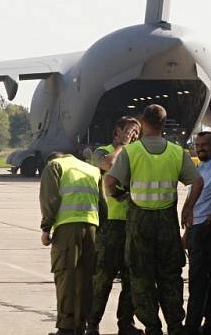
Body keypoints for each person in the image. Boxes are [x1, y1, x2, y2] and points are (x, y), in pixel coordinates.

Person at [106, 104, 204, 335]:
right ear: (163, 123)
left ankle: (152, 327)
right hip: (167, 222)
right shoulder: (176, 152)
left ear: (143, 122)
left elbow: (109, 183)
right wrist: (188, 208)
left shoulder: (131, 152)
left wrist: (121, 195)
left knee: (141, 277)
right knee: (170, 275)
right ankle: (175, 325)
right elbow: (197, 182)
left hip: (140, 223)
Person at [86, 116, 143, 335]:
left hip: (132, 222)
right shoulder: (104, 150)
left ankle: (126, 323)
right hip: (110, 223)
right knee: (103, 277)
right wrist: (123, 146)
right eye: (129, 131)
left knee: (130, 278)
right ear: (117, 132)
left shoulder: (137, 153)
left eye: (137, 132)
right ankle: (92, 323)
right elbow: (108, 165)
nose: (134, 136)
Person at [40, 151, 104, 335]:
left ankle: (66, 328)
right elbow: (103, 205)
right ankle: (80, 325)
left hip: (67, 229)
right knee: (86, 278)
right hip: (92, 228)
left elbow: (49, 199)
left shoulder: (54, 166)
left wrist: (46, 228)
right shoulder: (92, 169)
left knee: (66, 277)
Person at [185, 132, 211, 335]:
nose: (200, 148)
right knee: (207, 281)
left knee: (199, 281)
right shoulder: (200, 168)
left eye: (205, 145)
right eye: (198, 144)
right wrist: (187, 232)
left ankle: (191, 326)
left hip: (207, 230)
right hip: (197, 228)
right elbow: (194, 197)